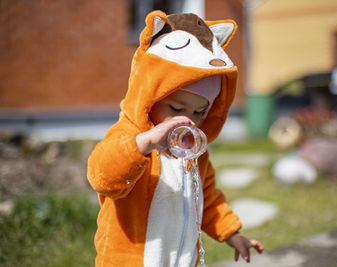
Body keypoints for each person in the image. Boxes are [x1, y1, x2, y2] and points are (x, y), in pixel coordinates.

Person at [87, 10, 263, 267]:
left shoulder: (194, 151)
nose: (188, 120)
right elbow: (104, 177)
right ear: (150, 97)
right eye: (176, 109)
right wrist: (144, 144)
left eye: (199, 112)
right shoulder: (130, 137)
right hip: (132, 259)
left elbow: (207, 199)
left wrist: (231, 233)